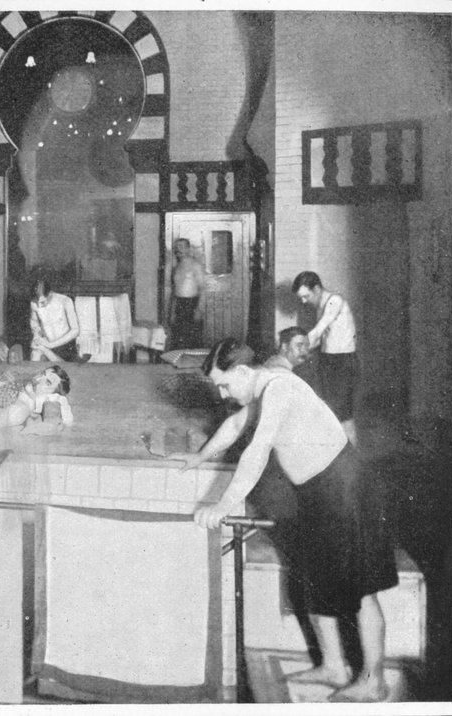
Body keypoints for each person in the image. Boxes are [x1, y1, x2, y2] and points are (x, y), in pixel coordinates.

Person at [169, 338, 397, 703]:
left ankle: (374, 680)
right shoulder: (262, 385)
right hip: (319, 493)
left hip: (346, 488)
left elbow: (257, 451)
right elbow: (234, 424)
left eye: (225, 384)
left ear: (242, 371)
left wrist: (223, 505)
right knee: (315, 578)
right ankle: (334, 666)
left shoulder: (278, 388)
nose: (225, 393)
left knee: (360, 588)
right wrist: (199, 457)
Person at [292, 271, 359, 446]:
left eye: (306, 296)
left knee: (344, 415)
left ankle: (353, 458)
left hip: (343, 362)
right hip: (327, 360)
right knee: (329, 411)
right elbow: (320, 340)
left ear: (316, 288)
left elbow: (318, 331)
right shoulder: (320, 305)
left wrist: (297, 347)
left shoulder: (334, 301)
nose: (304, 301)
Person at [166, 238, 206, 350]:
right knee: (178, 340)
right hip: (179, 304)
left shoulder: (196, 265)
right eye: (177, 247)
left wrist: (199, 309)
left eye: (182, 247)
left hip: (192, 305)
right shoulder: (176, 267)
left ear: (188, 249)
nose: (179, 250)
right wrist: (172, 311)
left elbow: (202, 289)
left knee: (193, 340)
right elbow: (175, 292)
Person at [29, 279, 81, 362]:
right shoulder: (34, 303)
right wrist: (36, 336)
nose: (39, 305)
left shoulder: (65, 301)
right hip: (47, 345)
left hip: (65, 349)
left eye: (42, 302)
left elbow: (75, 330)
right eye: (37, 301)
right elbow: (35, 324)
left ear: (50, 294)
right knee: (35, 354)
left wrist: (51, 345)